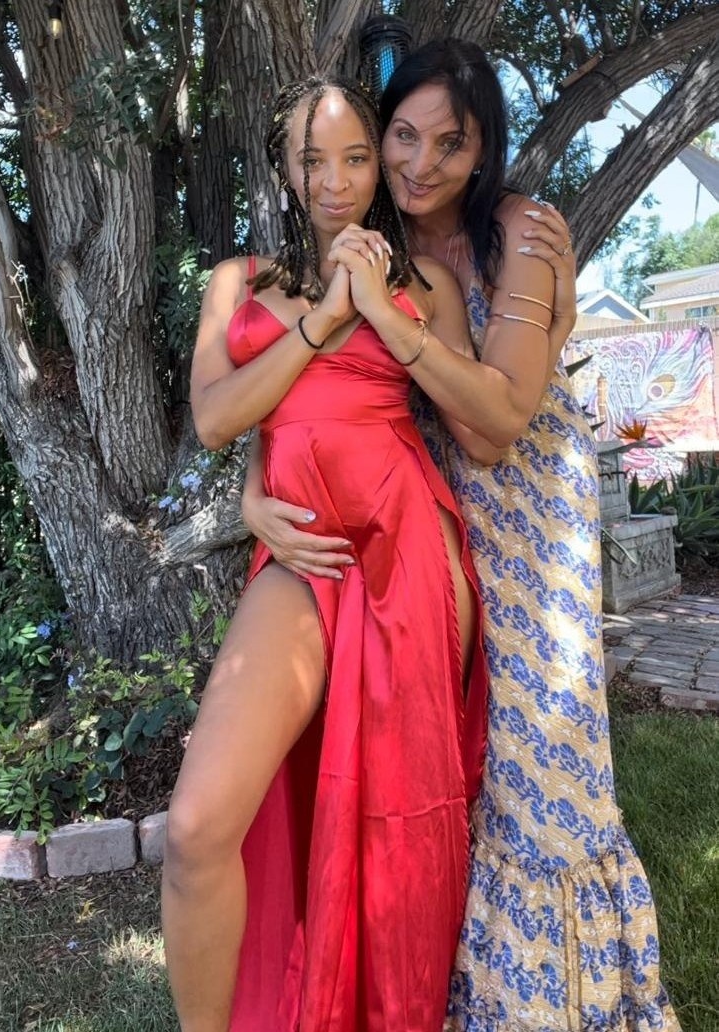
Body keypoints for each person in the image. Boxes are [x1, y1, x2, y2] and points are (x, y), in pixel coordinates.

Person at [242, 40, 681, 1032]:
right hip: (417, 522)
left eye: (452, 143)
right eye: (403, 135)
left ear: (484, 152)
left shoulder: (521, 231)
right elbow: (293, 376)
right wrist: (251, 494)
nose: (420, 162)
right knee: (453, 757)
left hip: (526, 521)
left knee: (543, 755)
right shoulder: (373, 236)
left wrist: (396, 325)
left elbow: (498, 425)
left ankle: (564, 1006)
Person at [161, 70, 558, 1031]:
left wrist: (382, 306)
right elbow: (216, 418)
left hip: (404, 545)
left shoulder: (425, 284)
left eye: (353, 158)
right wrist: (323, 321)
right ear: (283, 168)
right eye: (313, 160)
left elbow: (481, 429)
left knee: (401, 825)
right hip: (302, 556)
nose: (336, 181)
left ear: (374, 165)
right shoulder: (238, 281)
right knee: (197, 827)